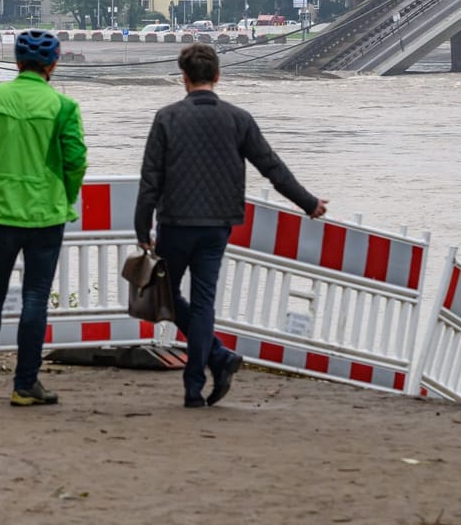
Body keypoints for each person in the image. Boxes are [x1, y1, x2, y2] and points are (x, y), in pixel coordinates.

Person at [134, 43, 327, 408]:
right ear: (217, 77)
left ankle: (218, 357)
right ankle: (198, 383)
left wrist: (142, 230)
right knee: (205, 302)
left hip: (176, 223)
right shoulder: (239, 119)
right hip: (218, 225)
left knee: (165, 297)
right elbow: (272, 168)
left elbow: (150, 180)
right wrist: (309, 203)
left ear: (183, 79)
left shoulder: (167, 118)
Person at [0, 29, 87, 407]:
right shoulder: (63, 106)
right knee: (35, 296)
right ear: (53, 64)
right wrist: (65, 193)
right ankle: (25, 385)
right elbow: (76, 159)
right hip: (46, 215)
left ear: (16, 63)